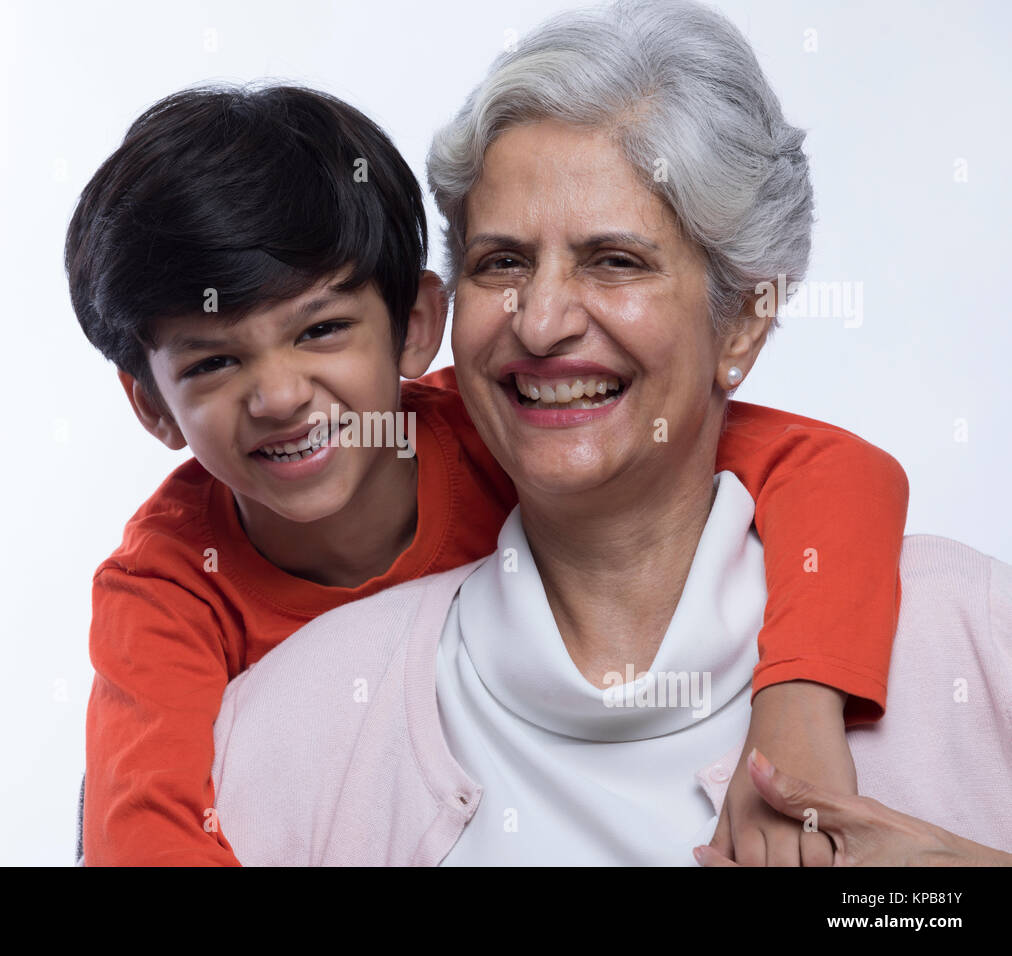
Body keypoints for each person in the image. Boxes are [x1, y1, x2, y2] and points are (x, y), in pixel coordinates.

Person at [204, 0, 1012, 865]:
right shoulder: (293, 726)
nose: (542, 321)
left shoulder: (970, 632)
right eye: (501, 262)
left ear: (741, 322)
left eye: (614, 260)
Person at [68, 80, 908, 867]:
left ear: (416, 327)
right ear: (151, 406)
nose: (281, 397)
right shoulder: (166, 590)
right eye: (214, 363)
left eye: (321, 330)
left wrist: (798, 701)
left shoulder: (517, 426)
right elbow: (139, 837)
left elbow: (830, 468)